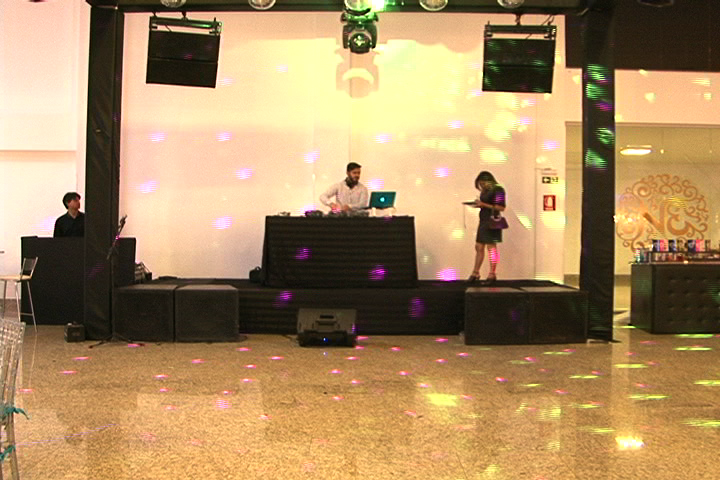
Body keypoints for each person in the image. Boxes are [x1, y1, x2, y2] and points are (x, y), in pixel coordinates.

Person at [468, 171, 506, 283]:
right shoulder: (486, 191)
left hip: (493, 220)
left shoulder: (498, 189)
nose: (482, 186)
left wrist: (483, 204)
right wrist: (479, 205)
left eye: (483, 183)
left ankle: (492, 273)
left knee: (491, 247)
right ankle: (475, 272)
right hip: (484, 220)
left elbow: (501, 207)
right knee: (479, 247)